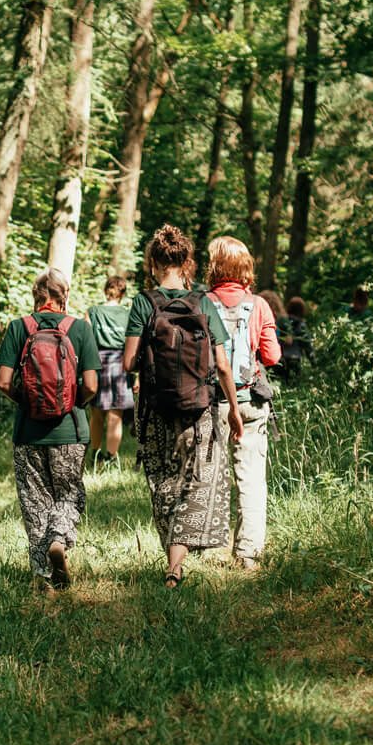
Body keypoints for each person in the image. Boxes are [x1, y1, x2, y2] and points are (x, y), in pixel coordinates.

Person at [122, 225, 243, 589]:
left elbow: (128, 361)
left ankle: (171, 560)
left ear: (153, 263)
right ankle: (177, 562)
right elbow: (222, 364)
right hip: (199, 408)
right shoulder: (203, 302)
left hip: (157, 407)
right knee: (197, 479)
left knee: (163, 481)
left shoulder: (145, 302)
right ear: (187, 262)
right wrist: (234, 408)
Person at [0, 267, 100, 593]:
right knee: (69, 493)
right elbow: (92, 385)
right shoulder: (80, 329)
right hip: (70, 430)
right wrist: (71, 404)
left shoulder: (19, 328)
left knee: (34, 501)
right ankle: (59, 539)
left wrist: (25, 401)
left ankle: (41, 572)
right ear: (63, 295)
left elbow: (2, 381)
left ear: (35, 296)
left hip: (28, 432)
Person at [207, 237, 281, 570]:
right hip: (251, 400)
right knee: (251, 479)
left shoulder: (202, 302)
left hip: (212, 403)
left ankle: (207, 546)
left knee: (209, 476)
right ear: (245, 268)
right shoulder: (259, 305)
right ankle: (247, 553)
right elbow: (273, 356)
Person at [86, 275, 135, 469]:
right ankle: (111, 458)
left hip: (97, 363)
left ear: (105, 290)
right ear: (122, 293)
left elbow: (86, 340)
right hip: (120, 364)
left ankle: (95, 457)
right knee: (116, 416)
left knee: (96, 415)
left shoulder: (92, 312)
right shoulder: (127, 314)